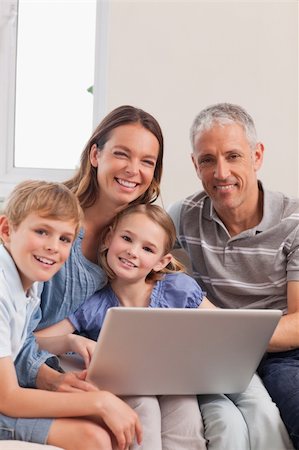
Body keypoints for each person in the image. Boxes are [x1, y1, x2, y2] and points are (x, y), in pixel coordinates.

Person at [168, 102, 297, 449]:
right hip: (214, 352)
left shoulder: (294, 223)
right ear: (195, 165)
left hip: (285, 352)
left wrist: (222, 327)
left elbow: (298, 324)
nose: (221, 172)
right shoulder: (182, 216)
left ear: (257, 156)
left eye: (233, 156)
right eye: (207, 160)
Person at [35, 203, 213, 450]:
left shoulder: (179, 289)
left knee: (187, 414)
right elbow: (38, 339)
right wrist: (70, 340)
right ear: (109, 238)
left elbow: (222, 328)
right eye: (127, 238)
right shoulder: (94, 303)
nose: (132, 251)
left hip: (174, 382)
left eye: (147, 248)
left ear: (162, 262)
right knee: (144, 410)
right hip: (126, 386)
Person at [14, 105, 164, 392]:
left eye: (147, 161)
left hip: (88, 365)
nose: (133, 170)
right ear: (96, 155)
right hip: (29, 364)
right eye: (122, 154)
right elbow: (16, 332)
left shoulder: (139, 237)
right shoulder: (48, 219)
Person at [0, 180, 142, 450]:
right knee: (94, 438)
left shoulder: (31, 279)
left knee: (108, 428)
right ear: (7, 230)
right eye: (42, 231)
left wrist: (54, 380)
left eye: (64, 238)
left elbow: (19, 344)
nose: (53, 247)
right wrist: (99, 402)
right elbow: (6, 397)